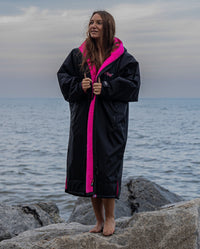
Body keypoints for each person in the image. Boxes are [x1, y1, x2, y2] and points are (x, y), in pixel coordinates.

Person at [57, 10, 140, 236]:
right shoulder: (78, 55)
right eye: (91, 22)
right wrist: (79, 86)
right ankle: (99, 221)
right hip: (84, 123)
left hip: (110, 124)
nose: (93, 25)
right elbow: (63, 79)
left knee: (107, 168)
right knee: (88, 170)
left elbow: (133, 86)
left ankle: (111, 218)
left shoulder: (124, 59)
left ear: (108, 27)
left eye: (99, 23)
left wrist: (107, 88)